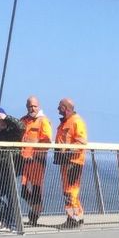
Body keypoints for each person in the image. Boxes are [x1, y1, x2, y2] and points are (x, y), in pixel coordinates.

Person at [0, 109, 24, 228]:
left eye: (2, 120)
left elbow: (22, 127)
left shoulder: (13, 132)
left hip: (14, 170)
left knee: (12, 196)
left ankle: (13, 223)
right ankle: (6, 219)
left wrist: (7, 117)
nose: (0, 122)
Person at [20, 96, 53, 226]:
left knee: (36, 188)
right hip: (24, 159)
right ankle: (37, 208)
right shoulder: (23, 120)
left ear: (38, 106)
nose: (32, 108)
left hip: (37, 159)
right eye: (30, 106)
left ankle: (34, 215)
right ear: (27, 106)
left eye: (34, 106)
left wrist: (35, 151)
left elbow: (46, 140)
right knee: (23, 189)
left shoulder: (43, 121)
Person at [55, 97, 87, 228]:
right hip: (65, 161)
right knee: (70, 191)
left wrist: (67, 150)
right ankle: (78, 217)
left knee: (70, 192)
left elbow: (81, 142)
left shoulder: (76, 122)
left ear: (66, 108)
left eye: (60, 106)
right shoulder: (65, 122)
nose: (57, 109)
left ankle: (72, 219)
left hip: (73, 161)